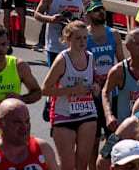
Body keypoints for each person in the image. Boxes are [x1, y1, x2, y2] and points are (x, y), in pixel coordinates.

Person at [41, 19, 102, 170]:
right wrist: (72, 91)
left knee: (82, 165)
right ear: (68, 39)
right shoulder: (62, 60)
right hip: (63, 115)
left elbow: (95, 83)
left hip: (87, 113)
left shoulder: (90, 58)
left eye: (85, 37)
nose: (82, 42)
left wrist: (95, 88)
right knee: (67, 166)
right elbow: (45, 89)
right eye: (78, 38)